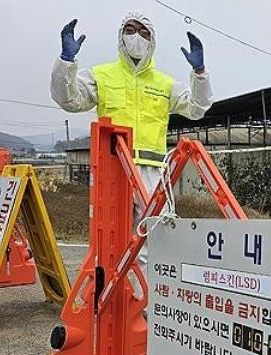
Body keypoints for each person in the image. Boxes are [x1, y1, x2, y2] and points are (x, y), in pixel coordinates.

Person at [51, 12, 213, 279]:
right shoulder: (102, 75)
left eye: (143, 32)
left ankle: (149, 310)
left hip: (152, 173)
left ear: (152, 41)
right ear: (120, 36)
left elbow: (197, 108)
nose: (136, 36)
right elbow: (69, 99)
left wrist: (200, 73)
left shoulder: (164, 83)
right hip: (113, 170)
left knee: (153, 241)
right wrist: (66, 62)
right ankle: (112, 306)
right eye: (130, 29)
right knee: (111, 243)